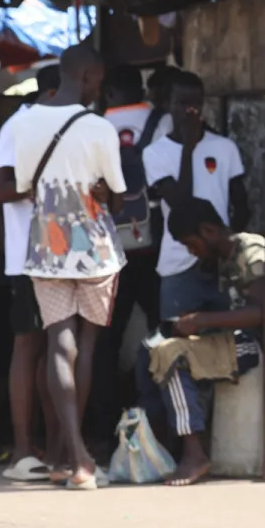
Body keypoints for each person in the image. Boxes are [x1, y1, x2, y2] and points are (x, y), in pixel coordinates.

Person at [6, 44, 127, 490]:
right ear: (91, 75)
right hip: (93, 248)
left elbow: (21, 186)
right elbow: (116, 194)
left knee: (60, 343)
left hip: (46, 246)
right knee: (87, 347)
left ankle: (64, 455)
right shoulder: (99, 127)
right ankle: (79, 459)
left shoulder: (23, 123)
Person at [139, 197, 265, 486]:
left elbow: (262, 313)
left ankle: (194, 454)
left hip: (255, 345)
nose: (192, 253)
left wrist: (201, 321)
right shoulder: (223, 259)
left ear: (208, 231)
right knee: (149, 350)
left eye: (191, 245)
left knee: (172, 356)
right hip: (235, 341)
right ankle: (160, 447)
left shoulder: (251, 250)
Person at [0, 66, 57, 482]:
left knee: (52, 351)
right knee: (29, 349)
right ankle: (23, 451)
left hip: (58, 258)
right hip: (30, 259)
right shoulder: (20, 125)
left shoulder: (58, 124)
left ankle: (51, 449)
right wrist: (43, 184)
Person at [144, 72, 249, 331]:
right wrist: (189, 148)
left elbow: (242, 204)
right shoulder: (155, 153)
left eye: (196, 104)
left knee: (225, 343)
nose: (190, 112)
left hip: (220, 265)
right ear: (168, 106)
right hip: (179, 264)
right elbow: (182, 204)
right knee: (175, 345)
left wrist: (226, 248)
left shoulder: (224, 148)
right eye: (182, 104)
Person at [96, 64, 164, 443]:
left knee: (105, 341)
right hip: (154, 249)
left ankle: (105, 428)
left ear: (107, 92)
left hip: (110, 251)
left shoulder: (94, 124)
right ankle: (158, 422)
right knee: (161, 332)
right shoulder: (161, 122)